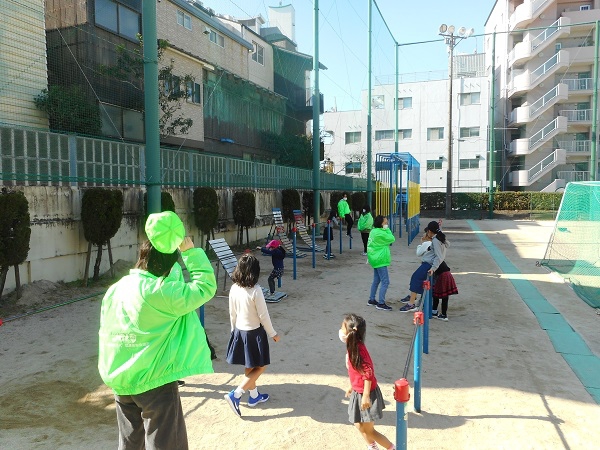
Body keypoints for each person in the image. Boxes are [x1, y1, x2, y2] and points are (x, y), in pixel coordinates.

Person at [98, 211, 217, 450]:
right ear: (170, 264)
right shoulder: (163, 292)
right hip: (155, 381)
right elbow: (205, 286)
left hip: (121, 379)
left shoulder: (117, 288)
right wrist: (190, 252)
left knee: (131, 443)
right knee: (166, 444)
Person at [224, 254, 280, 417]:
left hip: (240, 331)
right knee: (260, 366)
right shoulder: (256, 291)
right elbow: (264, 316)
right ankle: (237, 394)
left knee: (250, 365)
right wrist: (273, 334)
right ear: (255, 272)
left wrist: (233, 330)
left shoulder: (234, 288)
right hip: (254, 333)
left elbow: (232, 312)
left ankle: (254, 396)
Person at [339, 313, 395, 450]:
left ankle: (392, 448)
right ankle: (372, 446)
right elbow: (356, 372)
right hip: (358, 391)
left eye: (342, 328)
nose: (340, 331)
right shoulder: (352, 346)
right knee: (357, 423)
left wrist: (365, 396)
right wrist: (352, 386)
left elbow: (368, 373)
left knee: (369, 430)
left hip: (367, 393)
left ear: (350, 332)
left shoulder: (358, 350)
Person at [400, 220, 449, 312]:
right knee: (423, 283)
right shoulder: (441, 238)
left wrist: (433, 268)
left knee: (416, 278)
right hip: (431, 264)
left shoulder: (435, 240)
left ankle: (411, 304)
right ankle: (420, 302)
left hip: (429, 265)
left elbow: (438, 256)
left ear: (430, 231)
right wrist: (430, 248)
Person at [367, 215, 395, 311]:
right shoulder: (380, 233)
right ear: (380, 224)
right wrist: (387, 230)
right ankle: (381, 303)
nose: (387, 225)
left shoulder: (373, 231)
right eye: (385, 223)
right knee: (385, 281)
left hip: (374, 258)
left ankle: (371, 299)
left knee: (376, 280)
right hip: (380, 259)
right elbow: (392, 238)